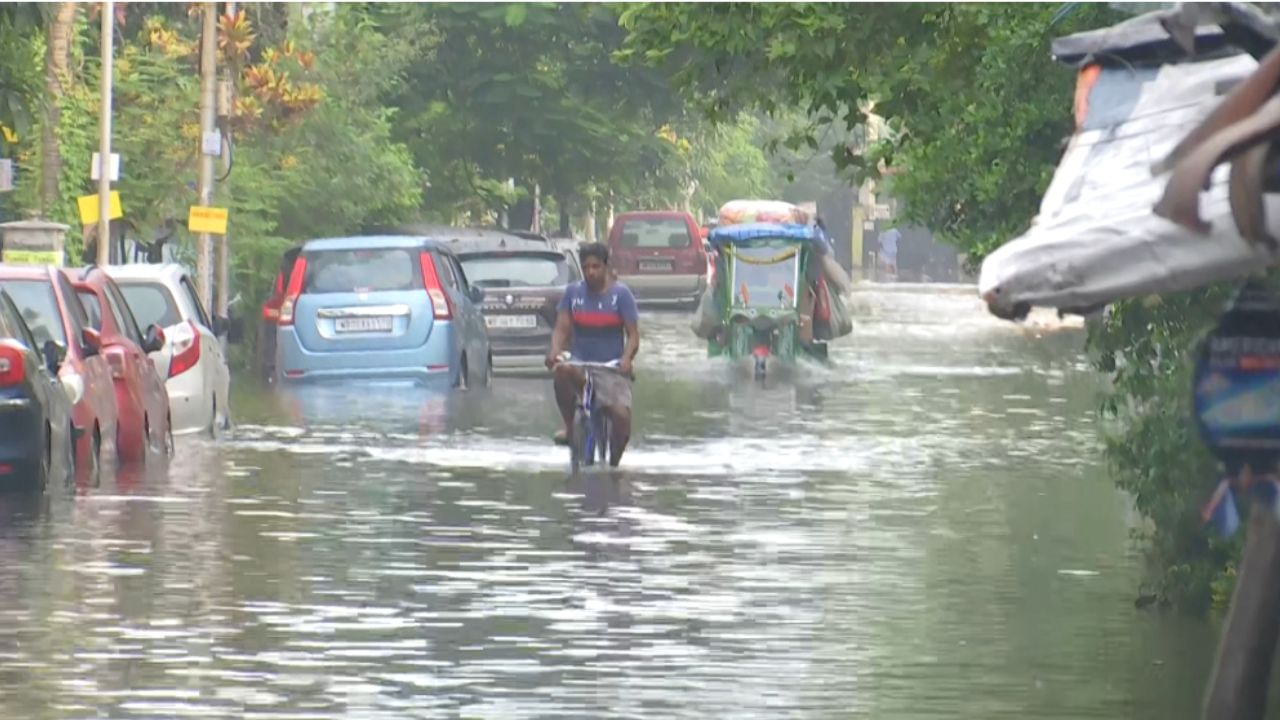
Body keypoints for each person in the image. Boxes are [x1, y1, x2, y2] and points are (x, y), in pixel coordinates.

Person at [545, 242, 639, 467]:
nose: (590, 272)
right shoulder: (573, 293)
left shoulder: (621, 295)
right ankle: (569, 427)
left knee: (622, 419)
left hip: (611, 368)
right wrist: (554, 351)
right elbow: (561, 328)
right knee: (562, 372)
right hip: (580, 364)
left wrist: (627, 359)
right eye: (586, 267)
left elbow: (633, 336)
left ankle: (614, 464)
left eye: (596, 267)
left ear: (606, 267)